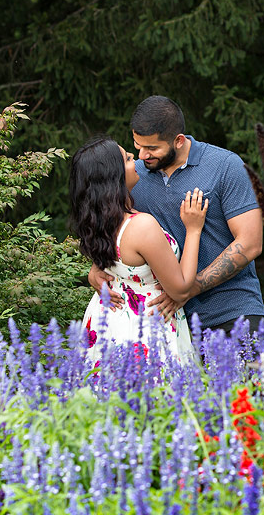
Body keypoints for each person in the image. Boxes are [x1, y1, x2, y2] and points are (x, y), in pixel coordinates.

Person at [88, 95, 264, 339]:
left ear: (178, 141)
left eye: (151, 148)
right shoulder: (134, 175)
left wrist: (188, 289)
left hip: (231, 312)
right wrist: (99, 265)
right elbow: (117, 223)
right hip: (167, 321)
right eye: (137, 146)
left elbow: (250, 243)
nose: (141, 155)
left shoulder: (225, 166)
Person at [70, 136, 208, 364]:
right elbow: (180, 290)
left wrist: (94, 270)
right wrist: (193, 230)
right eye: (126, 158)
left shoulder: (98, 221)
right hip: (144, 328)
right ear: (113, 176)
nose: (135, 158)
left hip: (107, 323)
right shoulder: (141, 226)